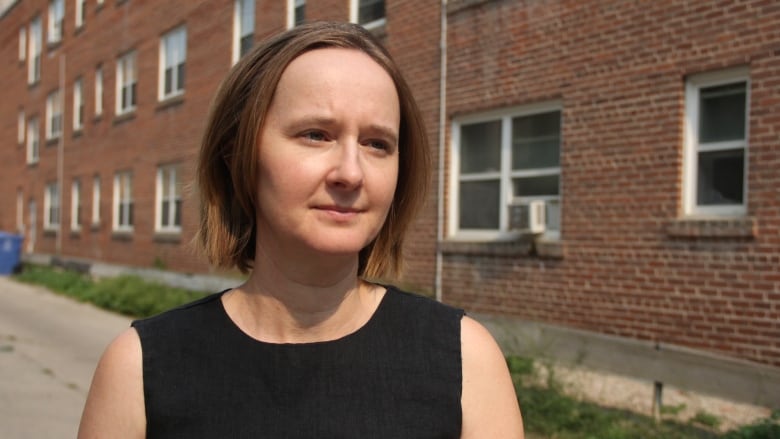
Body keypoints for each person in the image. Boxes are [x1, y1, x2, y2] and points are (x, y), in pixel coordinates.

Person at [77, 21, 524, 438]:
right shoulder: (140, 367)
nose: (351, 173)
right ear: (239, 158)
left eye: (376, 144)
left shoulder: (465, 360)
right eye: (316, 134)